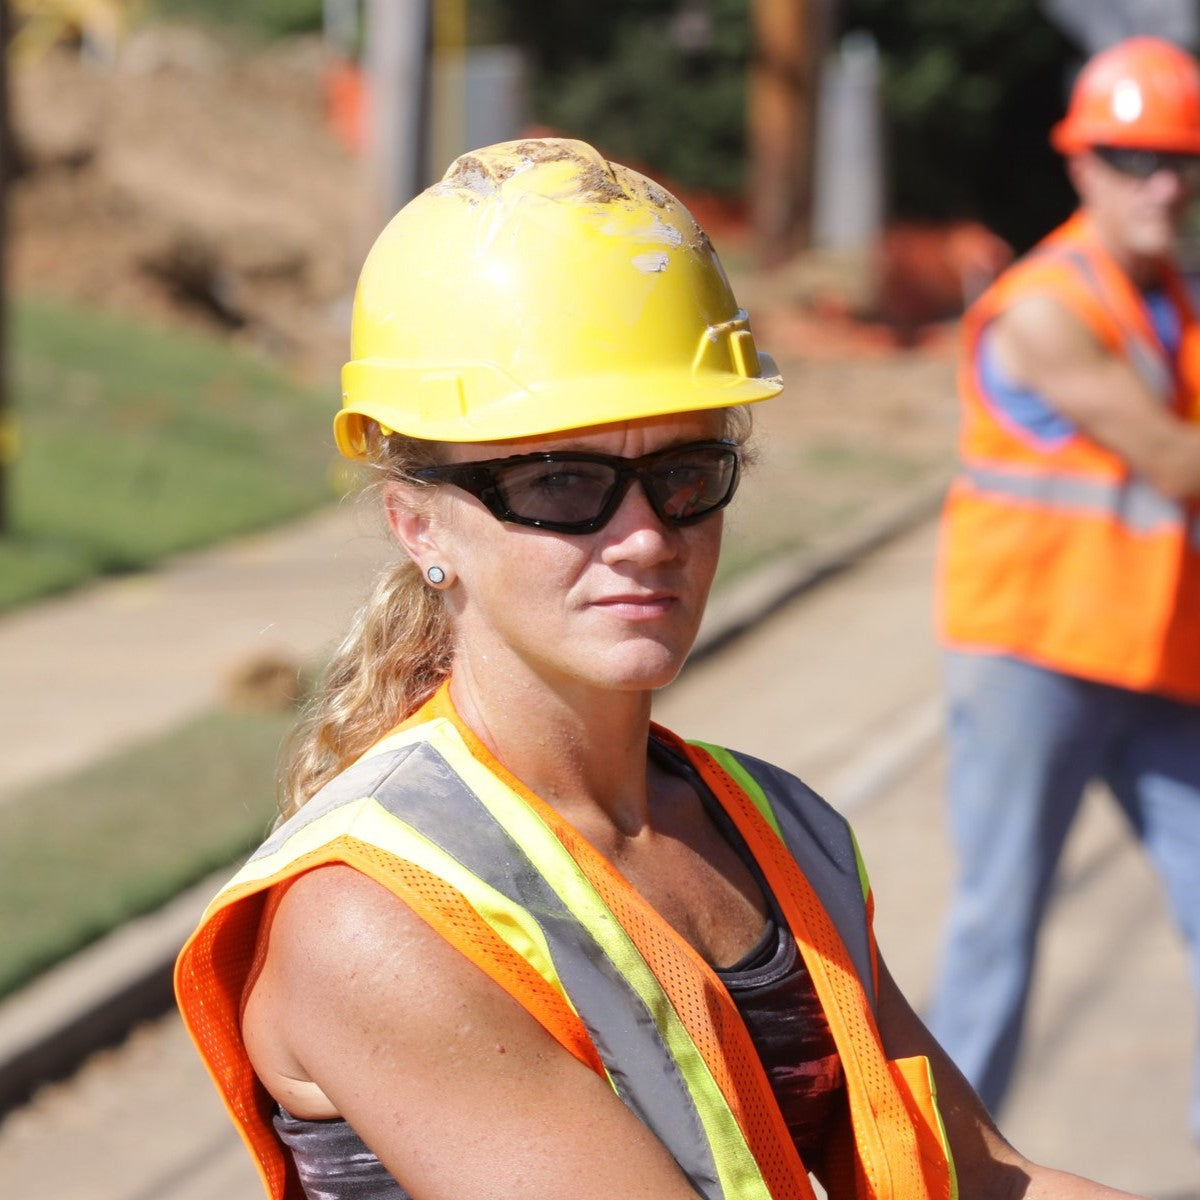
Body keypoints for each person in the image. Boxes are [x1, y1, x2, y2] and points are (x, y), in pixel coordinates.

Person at [175, 137, 1143, 1200]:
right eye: (559, 484)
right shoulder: (376, 917)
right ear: (417, 523)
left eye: (684, 474)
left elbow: (980, 1180)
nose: (644, 536)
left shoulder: (776, 831)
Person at [929, 35, 1200, 1135]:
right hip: (1031, 652)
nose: (1163, 183)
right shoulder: (1046, 305)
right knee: (999, 928)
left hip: (1154, 653)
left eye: (1181, 159)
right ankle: (933, 1170)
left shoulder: (1174, 295)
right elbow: (1178, 462)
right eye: (1134, 159)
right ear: (1082, 166)